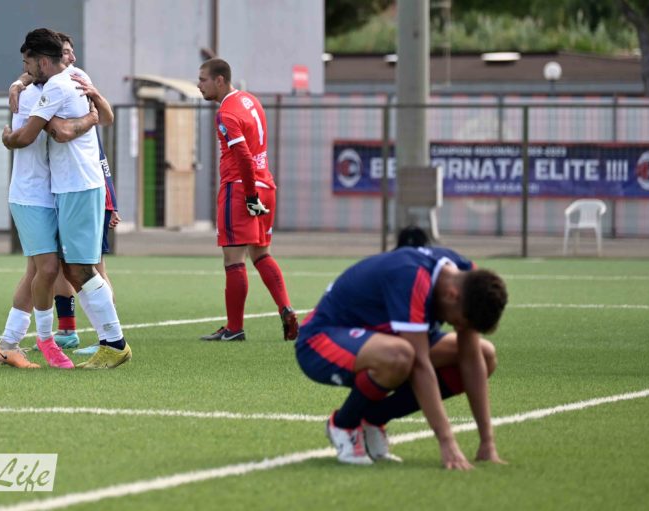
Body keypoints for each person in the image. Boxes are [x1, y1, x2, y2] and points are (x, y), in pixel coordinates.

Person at [295, 246, 508, 468]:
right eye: (459, 323)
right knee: (400, 356)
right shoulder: (413, 278)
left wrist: (487, 442)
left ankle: (373, 419)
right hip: (319, 341)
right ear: (452, 295)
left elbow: (471, 358)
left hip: (382, 341)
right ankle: (344, 424)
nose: (458, 328)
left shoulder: (468, 276)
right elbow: (419, 365)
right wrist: (447, 442)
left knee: (485, 355)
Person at [2, 28, 131, 369]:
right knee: (59, 269)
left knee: (78, 269)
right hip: (61, 189)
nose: (25, 69)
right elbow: (103, 118)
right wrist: (19, 83)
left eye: (28, 63)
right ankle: (23, 343)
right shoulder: (68, 78)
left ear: (42, 61)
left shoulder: (57, 86)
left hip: (76, 186)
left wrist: (9, 138)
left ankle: (112, 343)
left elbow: (57, 132)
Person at [196, 57, 298, 342]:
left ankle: (234, 328)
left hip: (241, 189)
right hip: (266, 185)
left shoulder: (226, 113)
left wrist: (250, 196)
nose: (199, 85)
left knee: (233, 258)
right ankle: (286, 308)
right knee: (261, 254)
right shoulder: (250, 100)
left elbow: (242, 155)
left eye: (203, 79)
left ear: (219, 80)